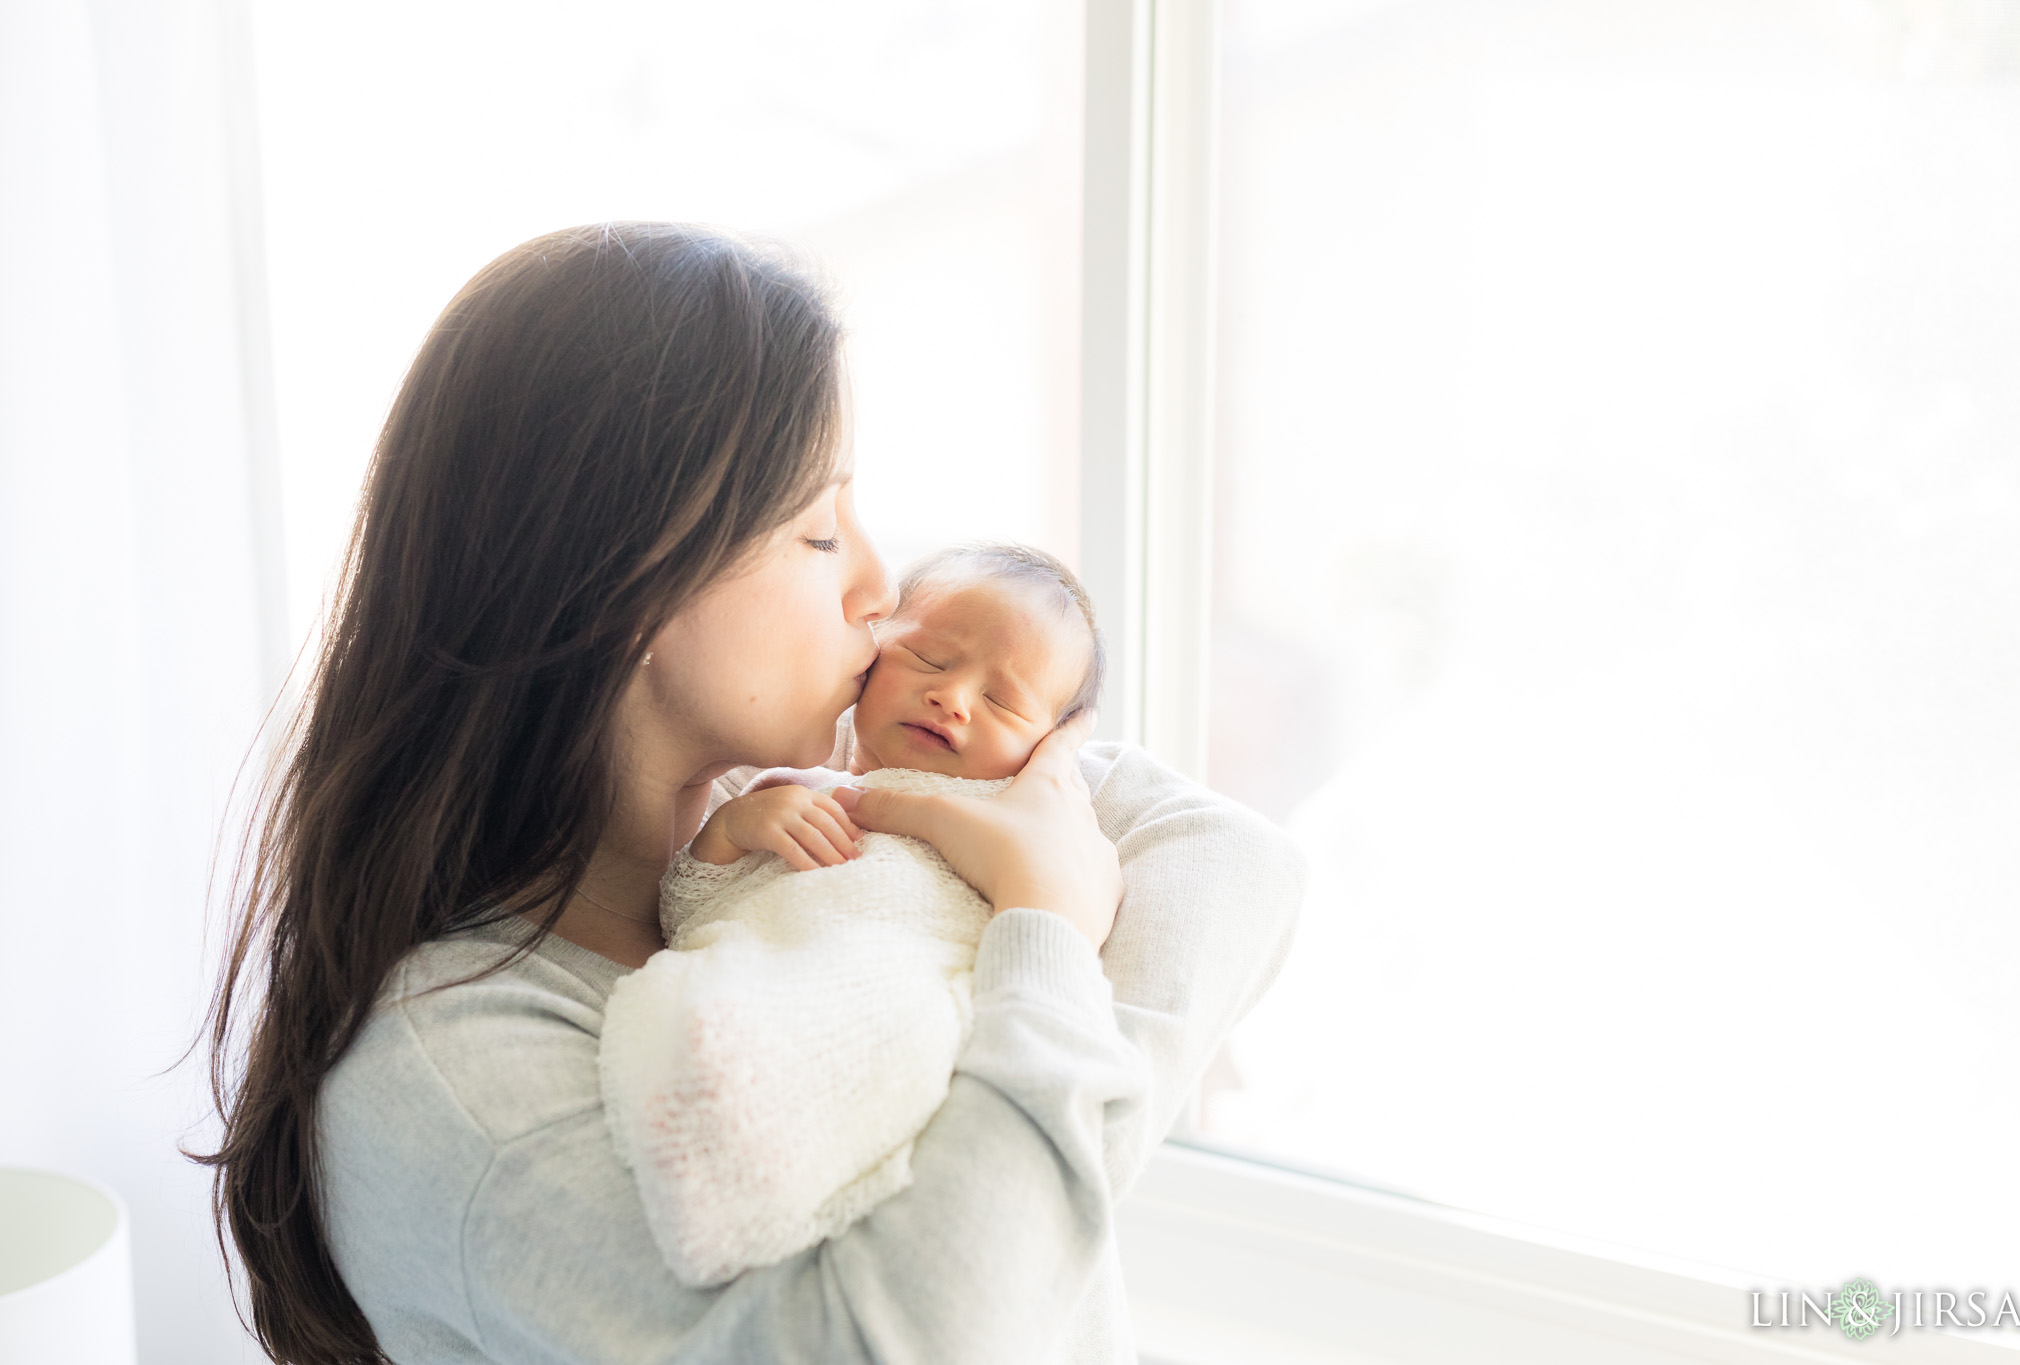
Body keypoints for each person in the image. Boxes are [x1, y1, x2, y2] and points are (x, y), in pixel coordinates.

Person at [198, 222, 1303, 1365]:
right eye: (819, 531)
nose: (883, 590)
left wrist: (1022, 1144)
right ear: (627, 583)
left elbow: (1235, 863)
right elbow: (893, 1346)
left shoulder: (807, 815)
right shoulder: (449, 1082)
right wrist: (1045, 943)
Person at [604, 542, 1127, 1287]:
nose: (955, 698)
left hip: (904, 1020)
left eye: (1004, 701)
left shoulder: (1028, 827)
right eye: (930, 660)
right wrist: (727, 836)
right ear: (872, 659)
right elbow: (686, 919)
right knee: (700, 1023)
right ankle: (719, 1145)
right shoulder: (786, 790)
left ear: (1047, 746)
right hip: (764, 1002)